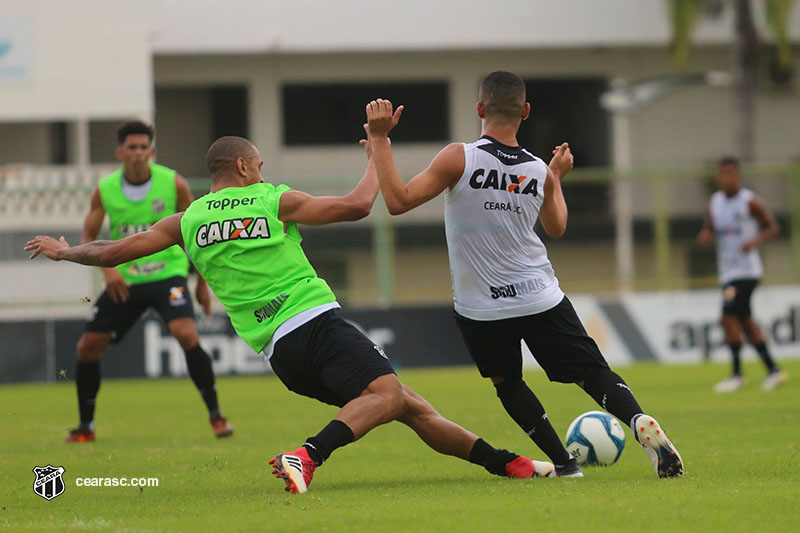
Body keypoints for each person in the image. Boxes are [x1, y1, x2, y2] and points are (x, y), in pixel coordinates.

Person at [26, 131, 555, 494]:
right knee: (389, 394)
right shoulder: (270, 199)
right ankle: (307, 455)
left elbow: (113, 251)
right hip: (315, 323)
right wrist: (376, 156)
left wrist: (64, 250)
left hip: (281, 355)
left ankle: (508, 464)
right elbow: (356, 206)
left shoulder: (185, 221)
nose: (262, 170)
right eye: (258, 163)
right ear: (242, 166)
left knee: (406, 405)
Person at [365, 71, 684, 478]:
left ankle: (566, 465)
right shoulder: (537, 171)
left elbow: (397, 201)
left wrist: (379, 139)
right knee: (590, 373)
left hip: (481, 306)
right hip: (540, 295)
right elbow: (556, 228)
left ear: (479, 108)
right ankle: (639, 421)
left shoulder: (458, 157)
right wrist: (556, 179)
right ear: (526, 112)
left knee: (508, 383)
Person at [64, 121, 233, 443]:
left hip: (168, 273)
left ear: (151, 151)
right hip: (123, 279)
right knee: (87, 348)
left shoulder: (175, 184)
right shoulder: (106, 189)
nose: (139, 153)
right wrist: (108, 271)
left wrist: (201, 283)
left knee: (184, 332)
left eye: (144, 147)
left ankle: (216, 416)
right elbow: (89, 234)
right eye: (132, 148)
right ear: (120, 152)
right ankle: (86, 428)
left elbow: (196, 232)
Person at [697, 157, 787, 392]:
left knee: (727, 316)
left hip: (747, 271)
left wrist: (755, 241)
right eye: (722, 173)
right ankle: (773, 370)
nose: (727, 178)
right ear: (718, 176)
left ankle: (737, 374)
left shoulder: (750, 202)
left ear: (738, 175)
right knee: (745, 321)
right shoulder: (714, 202)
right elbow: (710, 227)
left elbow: (773, 227)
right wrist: (706, 234)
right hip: (727, 271)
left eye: (731, 173)